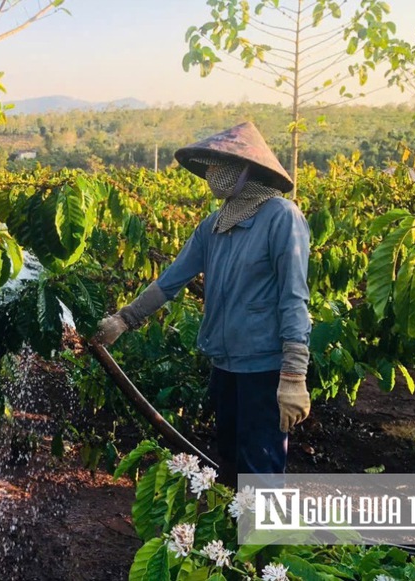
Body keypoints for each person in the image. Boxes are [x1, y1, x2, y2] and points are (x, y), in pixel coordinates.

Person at [94, 122, 311, 485]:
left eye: (221, 165)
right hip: (224, 364)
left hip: (264, 367)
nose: (212, 174)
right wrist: (123, 320)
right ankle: (228, 538)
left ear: (247, 169)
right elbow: (170, 281)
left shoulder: (281, 217)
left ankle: (265, 541)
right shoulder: (213, 225)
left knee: (260, 468)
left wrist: (293, 375)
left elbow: (294, 298)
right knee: (228, 461)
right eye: (209, 166)